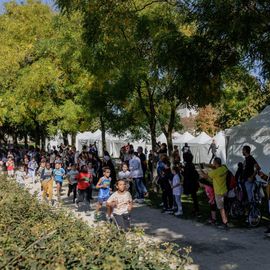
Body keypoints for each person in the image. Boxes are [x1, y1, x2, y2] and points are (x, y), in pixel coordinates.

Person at [201, 157, 229, 229]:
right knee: (225, 207)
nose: (212, 163)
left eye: (213, 162)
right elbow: (214, 166)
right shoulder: (224, 168)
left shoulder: (215, 172)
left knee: (221, 208)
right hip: (225, 190)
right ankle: (226, 220)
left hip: (218, 192)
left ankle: (224, 223)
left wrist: (201, 170)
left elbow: (205, 176)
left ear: (216, 163)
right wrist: (206, 165)